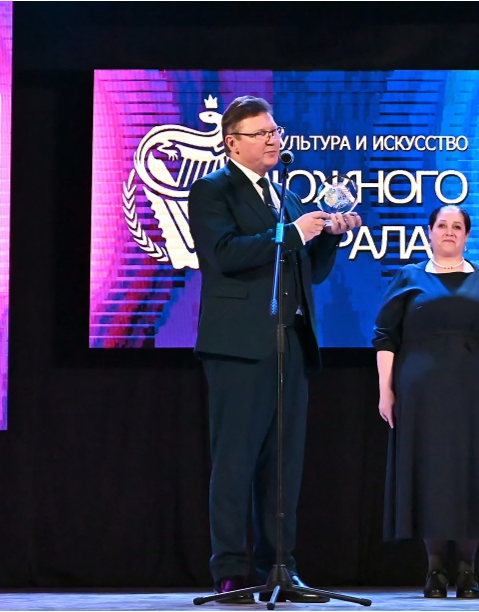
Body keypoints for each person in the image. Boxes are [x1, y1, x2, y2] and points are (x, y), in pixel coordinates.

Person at [187, 95, 362, 604]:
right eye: (261, 133)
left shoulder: (283, 196)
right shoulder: (213, 190)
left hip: (290, 344)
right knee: (236, 461)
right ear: (232, 143)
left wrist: (329, 237)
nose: (272, 139)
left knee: (283, 466)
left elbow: (310, 271)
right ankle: (231, 571)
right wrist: (291, 232)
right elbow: (224, 255)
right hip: (239, 348)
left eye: (274, 131)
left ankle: (280, 567)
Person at [373, 204, 479, 599]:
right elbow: (385, 337)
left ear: (467, 236)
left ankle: (468, 570)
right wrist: (385, 390)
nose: (450, 231)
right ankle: (436, 569)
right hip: (422, 394)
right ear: (430, 232)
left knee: (474, 472)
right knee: (432, 474)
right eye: (442, 225)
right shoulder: (409, 277)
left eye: (457, 226)